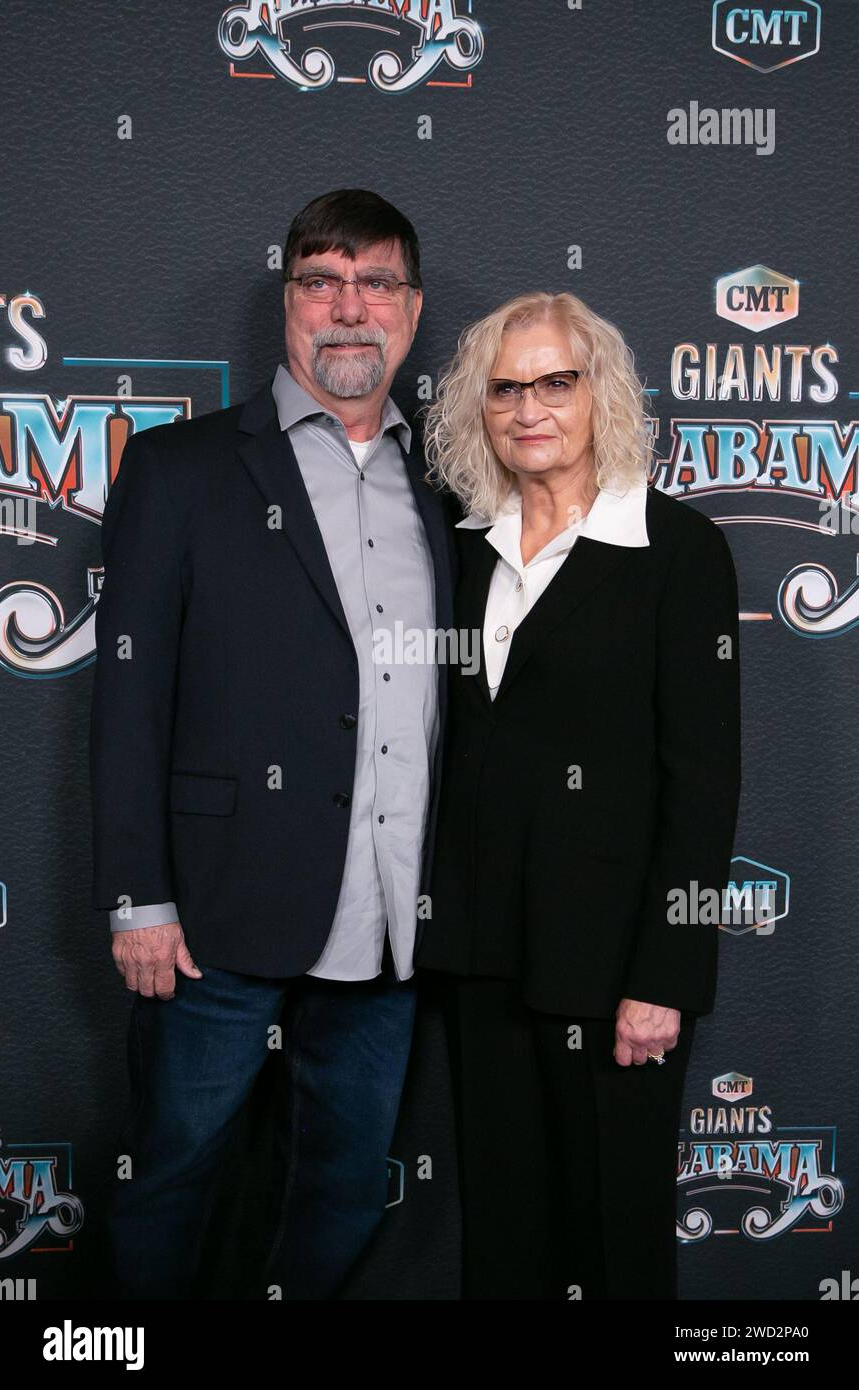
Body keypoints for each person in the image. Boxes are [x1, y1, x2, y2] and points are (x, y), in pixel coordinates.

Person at [89, 188, 455, 1299]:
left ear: (412, 307)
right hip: (212, 914)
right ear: (287, 302)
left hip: (391, 920)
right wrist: (137, 897)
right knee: (170, 1177)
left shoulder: (447, 487)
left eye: (375, 281)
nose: (349, 308)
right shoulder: (179, 469)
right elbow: (127, 696)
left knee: (342, 1187)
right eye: (320, 281)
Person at [415, 290, 742, 1300]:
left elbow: (702, 777)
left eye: (554, 381)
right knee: (503, 1236)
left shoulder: (675, 551)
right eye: (503, 388)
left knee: (611, 1234)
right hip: (479, 948)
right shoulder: (458, 541)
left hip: (612, 968)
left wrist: (665, 975)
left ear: (599, 391)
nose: (529, 408)